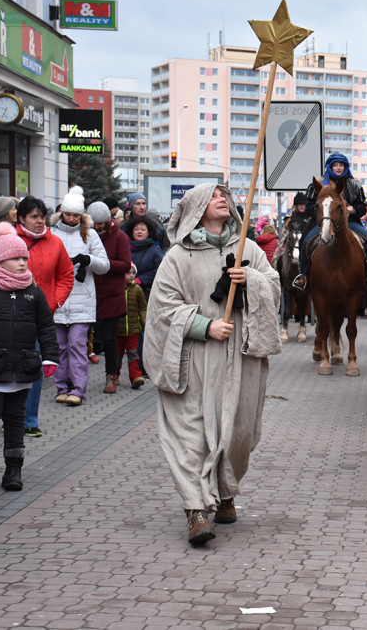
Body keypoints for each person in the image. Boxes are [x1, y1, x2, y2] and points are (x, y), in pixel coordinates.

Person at [144, 184, 281, 545]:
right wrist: (205, 326)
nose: (223, 199)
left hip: (241, 355)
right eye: (214, 196)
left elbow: (274, 286)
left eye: (225, 195)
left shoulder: (247, 248)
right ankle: (195, 511)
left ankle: (224, 493)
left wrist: (250, 280)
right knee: (191, 433)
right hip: (195, 359)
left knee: (238, 431)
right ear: (196, 209)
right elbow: (162, 308)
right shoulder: (179, 256)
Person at [0, 222, 60, 491]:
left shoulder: (33, 290)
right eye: (16, 258)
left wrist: (50, 356)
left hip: (23, 366)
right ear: (1, 260)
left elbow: (46, 325)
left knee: (15, 419)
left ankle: (13, 471)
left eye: (24, 258)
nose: (22, 263)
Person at [0, 197, 73, 437]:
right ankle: (6, 414)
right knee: (5, 366)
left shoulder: (56, 243)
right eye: (34, 216)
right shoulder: (5, 243)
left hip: (39, 318)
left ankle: (29, 419)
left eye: (42, 216)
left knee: (36, 366)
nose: (40, 221)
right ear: (20, 218)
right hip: (6, 318)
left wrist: (54, 302)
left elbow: (66, 275)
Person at [51, 187, 110, 406]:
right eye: (68, 214)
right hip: (58, 298)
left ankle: (78, 389)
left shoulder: (90, 234)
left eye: (76, 215)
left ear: (82, 216)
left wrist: (88, 260)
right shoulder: (53, 233)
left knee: (77, 345)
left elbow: (105, 265)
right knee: (60, 346)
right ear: (62, 213)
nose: (72, 218)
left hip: (82, 298)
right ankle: (61, 387)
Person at [293, 153, 367, 291]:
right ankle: (302, 275)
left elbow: (362, 207)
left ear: (345, 167)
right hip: (322, 222)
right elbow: (309, 206)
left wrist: (352, 210)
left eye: (341, 165)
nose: (339, 168)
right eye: (336, 165)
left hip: (349, 222)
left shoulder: (355, 184)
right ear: (330, 166)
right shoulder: (318, 184)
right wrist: (323, 212)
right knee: (305, 241)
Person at [87, 201, 132, 395]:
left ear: (108, 221)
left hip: (112, 294)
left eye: (101, 224)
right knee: (83, 337)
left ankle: (111, 375)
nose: (97, 228)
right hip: (90, 292)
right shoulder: (86, 235)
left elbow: (124, 265)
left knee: (108, 338)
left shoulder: (119, 237)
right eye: (94, 224)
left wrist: (101, 264)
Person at [116, 263, 147, 389]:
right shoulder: (117, 289)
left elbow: (143, 308)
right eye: (128, 273)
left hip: (133, 329)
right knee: (117, 354)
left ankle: (135, 377)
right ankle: (114, 375)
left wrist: (145, 323)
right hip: (118, 330)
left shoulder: (137, 290)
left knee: (133, 354)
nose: (131, 275)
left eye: (133, 273)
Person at [126, 216, 165, 302]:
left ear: (148, 233)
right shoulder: (125, 249)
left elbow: (160, 270)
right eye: (136, 229)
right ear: (131, 232)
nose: (139, 232)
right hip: (126, 293)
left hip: (147, 294)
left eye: (143, 230)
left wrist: (141, 280)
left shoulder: (155, 250)